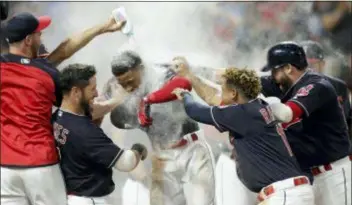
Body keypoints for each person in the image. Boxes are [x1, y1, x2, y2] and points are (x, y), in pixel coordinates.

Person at [1, 12, 125, 205]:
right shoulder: (46, 74)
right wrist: (116, 101)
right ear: (28, 40)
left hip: (5, 169)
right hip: (40, 166)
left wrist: (102, 27)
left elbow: (63, 51)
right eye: (38, 34)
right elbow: (75, 109)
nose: (41, 37)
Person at [172, 67, 314, 205]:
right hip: (290, 191)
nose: (221, 93)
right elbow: (212, 100)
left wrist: (185, 96)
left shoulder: (241, 114)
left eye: (223, 89)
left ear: (233, 93)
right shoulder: (258, 106)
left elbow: (195, 111)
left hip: (283, 193)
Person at [107, 51, 216, 205]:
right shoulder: (121, 91)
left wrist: (148, 100)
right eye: (123, 83)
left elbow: (183, 84)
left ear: (141, 69)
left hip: (191, 150)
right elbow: (116, 120)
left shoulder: (161, 73)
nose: (128, 86)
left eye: (130, 80)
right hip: (163, 157)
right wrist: (122, 101)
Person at [260, 41, 351, 205]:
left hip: (334, 172)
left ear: (288, 68)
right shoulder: (284, 85)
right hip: (309, 177)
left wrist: (258, 112)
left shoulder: (319, 85)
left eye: (275, 70)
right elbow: (245, 78)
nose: (273, 76)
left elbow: (287, 113)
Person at [53, 63, 147, 205]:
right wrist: (138, 150)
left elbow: (92, 112)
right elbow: (125, 163)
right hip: (90, 200)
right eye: (92, 89)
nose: (96, 93)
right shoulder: (86, 132)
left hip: (69, 196)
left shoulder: (57, 117)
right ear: (76, 92)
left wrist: (116, 101)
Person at [300, 40, 351, 132]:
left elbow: (347, 121)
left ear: (322, 64)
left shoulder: (338, 86)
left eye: (312, 65)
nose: (308, 69)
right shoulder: (287, 89)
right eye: (304, 65)